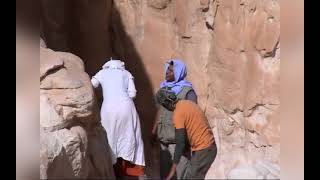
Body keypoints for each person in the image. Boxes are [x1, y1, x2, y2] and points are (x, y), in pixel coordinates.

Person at [91, 59, 145, 179]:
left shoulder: (102, 73)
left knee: (110, 138)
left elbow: (91, 84)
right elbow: (133, 94)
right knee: (128, 138)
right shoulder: (126, 73)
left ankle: (113, 172)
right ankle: (127, 171)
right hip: (127, 108)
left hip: (108, 109)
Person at [155, 88, 217, 180]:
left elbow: (180, 143)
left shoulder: (178, 113)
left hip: (204, 149)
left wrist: (172, 172)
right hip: (208, 148)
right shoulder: (188, 103)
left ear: (166, 104)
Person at [151, 59, 198, 179]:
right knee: (165, 176)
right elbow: (159, 110)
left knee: (180, 175)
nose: (167, 72)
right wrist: (154, 131)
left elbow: (193, 117)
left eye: (171, 70)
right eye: (167, 69)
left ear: (178, 73)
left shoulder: (188, 92)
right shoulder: (163, 89)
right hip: (164, 141)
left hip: (179, 143)